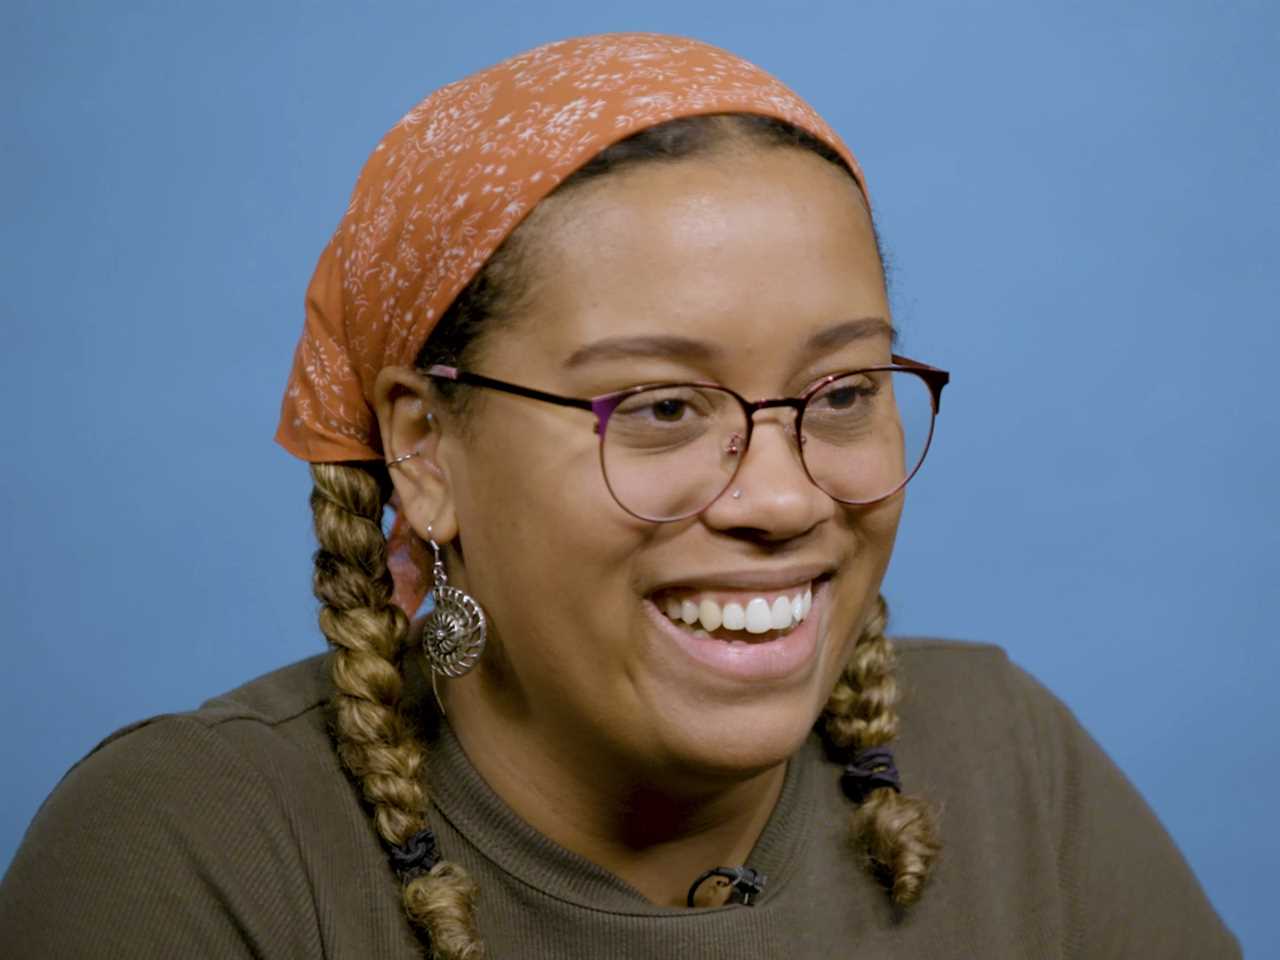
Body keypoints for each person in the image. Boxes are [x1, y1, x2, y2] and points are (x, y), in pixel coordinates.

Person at [0, 32, 1239, 959]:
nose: (779, 495)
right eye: (658, 408)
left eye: (842, 391)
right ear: (425, 450)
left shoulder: (1010, 765)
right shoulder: (194, 857)